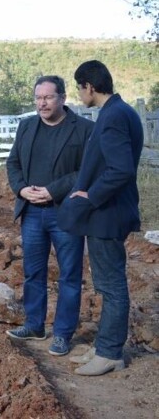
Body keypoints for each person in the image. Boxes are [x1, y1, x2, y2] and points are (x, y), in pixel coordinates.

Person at [58, 60, 143, 376]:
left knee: (111, 285)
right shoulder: (121, 112)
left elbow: (120, 169)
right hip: (107, 212)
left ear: (89, 87)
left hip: (108, 213)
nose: (80, 95)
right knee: (107, 283)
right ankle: (105, 346)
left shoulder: (113, 117)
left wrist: (91, 195)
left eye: (80, 89)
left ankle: (109, 352)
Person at [5, 75, 94, 357]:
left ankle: (63, 334)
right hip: (31, 212)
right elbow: (13, 162)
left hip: (65, 214)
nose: (42, 103)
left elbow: (86, 171)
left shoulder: (83, 129)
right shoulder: (26, 126)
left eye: (48, 97)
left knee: (69, 275)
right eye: (38, 98)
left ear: (63, 98)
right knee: (33, 272)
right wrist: (21, 190)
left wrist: (52, 191)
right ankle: (34, 325)